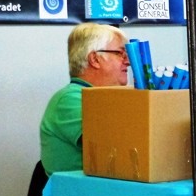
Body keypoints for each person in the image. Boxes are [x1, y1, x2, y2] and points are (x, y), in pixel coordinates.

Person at [40, 23, 130, 176]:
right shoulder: (69, 100)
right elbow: (117, 146)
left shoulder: (108, 98)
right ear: (95, 59)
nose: (128, 61)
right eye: (120, 53)